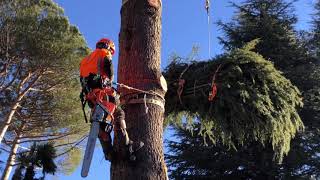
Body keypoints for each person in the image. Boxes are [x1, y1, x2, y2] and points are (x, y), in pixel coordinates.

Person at [79, 38, 143, 161]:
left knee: (102, 124)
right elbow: (109, 67)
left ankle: (109, 153)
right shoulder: (104, 52)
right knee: (119, 114)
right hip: (104, 93)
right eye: (111, 50)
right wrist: (109, 79)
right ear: (108, 46)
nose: (110, 52)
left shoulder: (84, 61)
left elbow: (83, 80)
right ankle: (128, 145)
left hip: (91, 97)